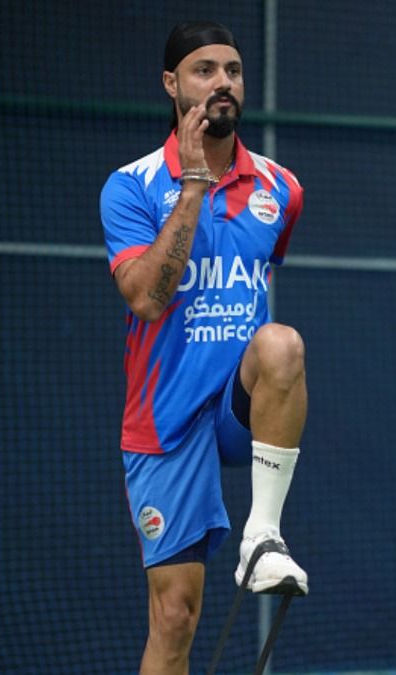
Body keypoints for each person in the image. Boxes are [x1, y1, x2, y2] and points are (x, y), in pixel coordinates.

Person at [100, 21, 308, 673]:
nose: (224, 82)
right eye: (205, 70)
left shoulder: (282, 188)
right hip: (165, 415)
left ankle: (262, 535)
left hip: (234, 404)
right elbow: (146, 299)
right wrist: (192, 185)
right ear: (172, 84)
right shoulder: (130, 186)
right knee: (175, 615)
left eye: (234, 70)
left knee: (281, 342)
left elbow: (261, 275)